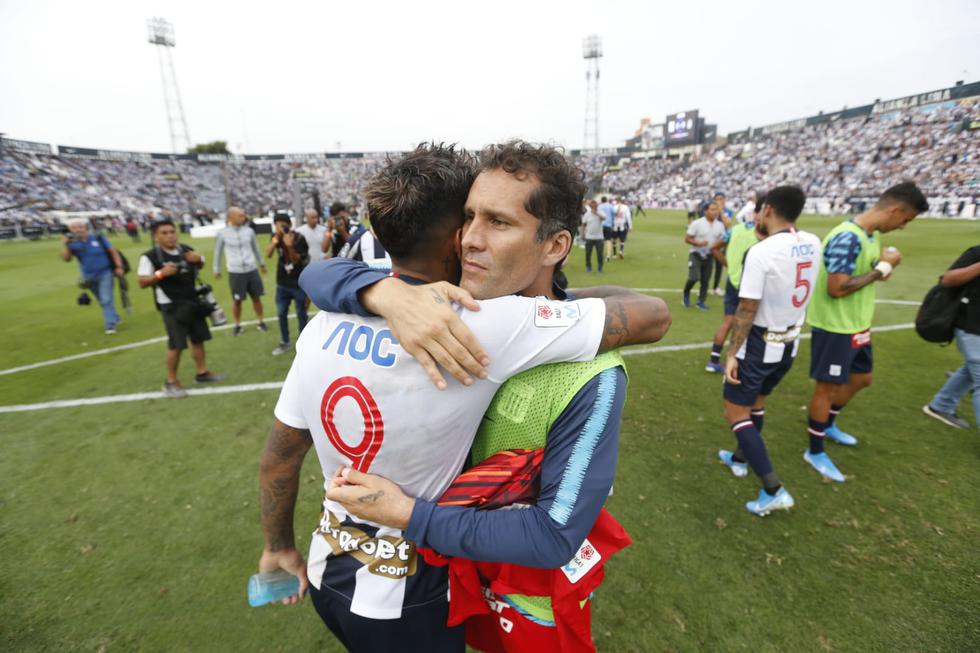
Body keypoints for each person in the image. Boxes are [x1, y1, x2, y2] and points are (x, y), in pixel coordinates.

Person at [259, 142, 670, 653]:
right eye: (467, 218)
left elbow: (279, 458)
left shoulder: (326, 323)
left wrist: (379, 292)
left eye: (496, 222)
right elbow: (653, 314)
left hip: (358, 574)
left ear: (554, 245)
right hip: (423, 592)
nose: (470, 240)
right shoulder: (484, 322)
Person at [804, 182, 928, 481]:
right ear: (895, 210)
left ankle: (828, 423)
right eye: (906, 220)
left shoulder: (868, 235)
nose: (903, 227)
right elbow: (836, 288)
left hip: (856, 323)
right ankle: (815, 450)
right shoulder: (848, 237)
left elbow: (861, 278)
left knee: (862, 378)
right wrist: (881, 269)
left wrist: (880, 268)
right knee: (826, 388)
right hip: (836, 326)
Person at [720, 185, 822, 516]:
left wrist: (732, 352)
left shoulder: (762, 251)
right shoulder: (812, 241)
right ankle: (739, 457)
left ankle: (774, 490)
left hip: (761, 343)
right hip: (790, 341)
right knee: (757, 403)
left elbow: (747, 307)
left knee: (736, 412)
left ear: (767, 210)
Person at [136, 218, 224, 398]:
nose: (170, 236)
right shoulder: (150, 256)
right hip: (171, 305)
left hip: (193, 301)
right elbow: (142, 282)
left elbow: (199, 264)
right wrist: (161, 274)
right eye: (164, 233)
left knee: (198, 338)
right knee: (176, 344)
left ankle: (202, 373)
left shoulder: (185, 250)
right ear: (156, 236)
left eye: (172, 232)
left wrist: (198, 259)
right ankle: (170, 382)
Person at [922, 244, 980, 429]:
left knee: (970, 372)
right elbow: (948, 279)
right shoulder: (977, 252)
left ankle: (941, 406)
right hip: (971, 325)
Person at [705, 193, 764, 373]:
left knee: (728, 321)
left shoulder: (735, 230)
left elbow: (714, 248)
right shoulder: (763, 235)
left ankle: (713, 360)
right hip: (751, 283)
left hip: (733, 280)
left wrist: (729, 266)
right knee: (750, 322)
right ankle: (739, 359)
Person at [60, 217, 124, 334]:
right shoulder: (73, 244)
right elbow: (66, 259)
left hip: (105, 273)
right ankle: (114, 316)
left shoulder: (98, 238)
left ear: (85, 227)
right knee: (102, 299)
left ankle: (110, 325)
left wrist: (119, 266)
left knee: (106, 299)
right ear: (70, 230)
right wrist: (66, 245)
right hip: (88, 277)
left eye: (80, 227)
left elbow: (113, 251)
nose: (78, 230)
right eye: (74, 228)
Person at [213, 206, 268, 336]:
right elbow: (218, 252)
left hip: (251, 269)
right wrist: (217, 268)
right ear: (231, 217)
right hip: (235, 271)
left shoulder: (249, 231)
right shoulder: (222, 234)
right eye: (240, 215)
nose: (243, 217)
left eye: (243, 215)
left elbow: (256, 248)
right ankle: (237, 324)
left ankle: (260, 321)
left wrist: (261, 263)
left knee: (256, 297)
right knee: (237, 300)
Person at [265, 212, 310, 356]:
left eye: (282, 224)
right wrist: (275, 240)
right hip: (282, 283)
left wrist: (290, 246)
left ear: (289, 225)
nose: (279, 227)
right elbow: (268, 254)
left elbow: (297, 261)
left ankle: (304, 342)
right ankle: (285, 341)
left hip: (298, 283)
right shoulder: (275, 238)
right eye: (276, 224)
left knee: (301, 313)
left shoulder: (299, 238)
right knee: (281, 313)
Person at [683, 201, 725, 310]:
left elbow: (722, 240)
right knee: (694, 277)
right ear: (705, 211)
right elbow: (687, 238)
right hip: (696, 254)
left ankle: (701, 301)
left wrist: (719, 247)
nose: (715, 212)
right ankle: (686, 292)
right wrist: (698, 243)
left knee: (705, 280)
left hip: (710, 256)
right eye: (712, 209)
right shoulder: (697, 223)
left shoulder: (720, 226)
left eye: (716, 210)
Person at [711, 192, 733, 296]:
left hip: (721, 242)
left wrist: (721, 211)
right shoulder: (710, 210)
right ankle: (704, 286)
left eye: (721, 199)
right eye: (717, 199)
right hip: (710, 240)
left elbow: (727, 225)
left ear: (725, 199)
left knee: (719, 265)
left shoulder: (728, 211)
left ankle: (716, 287)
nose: (719, 201)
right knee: (707, 265)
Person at [580, 199, 604, 273]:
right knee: (588, 254)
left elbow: (603, 218)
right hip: (589, 237)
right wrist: (582, 234)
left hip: (599, 237)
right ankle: (588, 267)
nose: (593, 207)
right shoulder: (587, 214)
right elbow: (583, 225)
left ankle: (600, 267)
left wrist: (596, 213)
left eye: (595, 206)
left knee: (600, 254)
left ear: (597, 206)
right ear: (590, 206)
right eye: (592, 206)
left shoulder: (600, 212)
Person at [596, 196, 615, 262]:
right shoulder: (610, 206)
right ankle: (608, 255)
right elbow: (613, 215)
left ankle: (602, 254)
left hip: (601, 225)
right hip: (608, 224)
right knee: (608, 240)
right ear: (606, 200)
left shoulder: (599, 206)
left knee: (601, 241)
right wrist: (613, 224)